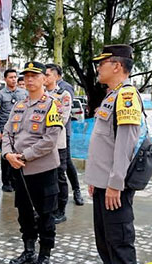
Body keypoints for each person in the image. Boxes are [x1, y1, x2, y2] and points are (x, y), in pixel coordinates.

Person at [81, 44, 142, 264]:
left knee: (119, 239)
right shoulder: (111, 96)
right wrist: (97, 180)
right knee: (105, 237)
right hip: (103, 182)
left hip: (115, 185)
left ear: (117, 66)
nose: (98, 68)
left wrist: (116, 183)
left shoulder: (127, 96)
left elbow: (125, 144)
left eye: (102, 63)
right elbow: (105, 143)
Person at [2, 61, 62, 264]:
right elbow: (7, 133)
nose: (29, 80)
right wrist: (8, 154)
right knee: (24, 213)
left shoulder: (52, 105)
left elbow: (49, 140)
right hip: (19, 169)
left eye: (34, 76)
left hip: (42, 170)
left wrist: (23, 156)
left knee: (45, 214)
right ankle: (28, 251)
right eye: (26, 76)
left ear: (44, 79)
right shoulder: (19, 105)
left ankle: (44, 256)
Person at [45, 63, 72, 224]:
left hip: (57, 143)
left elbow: (62, 118)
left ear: (56, 77)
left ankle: (61, 209)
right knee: (46, 177)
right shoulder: (38, 94)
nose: (45, 77)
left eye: (48, 74)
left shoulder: (63, 95)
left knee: (59, 176)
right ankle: (49, 207)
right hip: (41, 143)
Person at [54, 65, 85, 206]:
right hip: (48, 136)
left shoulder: (65, 88)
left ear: (57, 75)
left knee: (66, 163)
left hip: (62, 132)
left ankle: (76, 190)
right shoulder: (45, 89)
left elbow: (65, 111)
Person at [0, 69, 28, 192]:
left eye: (15, 77)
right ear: (5, 79)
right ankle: (6, 182)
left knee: (19, 155)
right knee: (6, 157)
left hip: (20, 130)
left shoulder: (24, 93)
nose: (14, 79)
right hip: (5, 130)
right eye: (11, 77)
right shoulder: (0, 95)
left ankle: (16, 181)